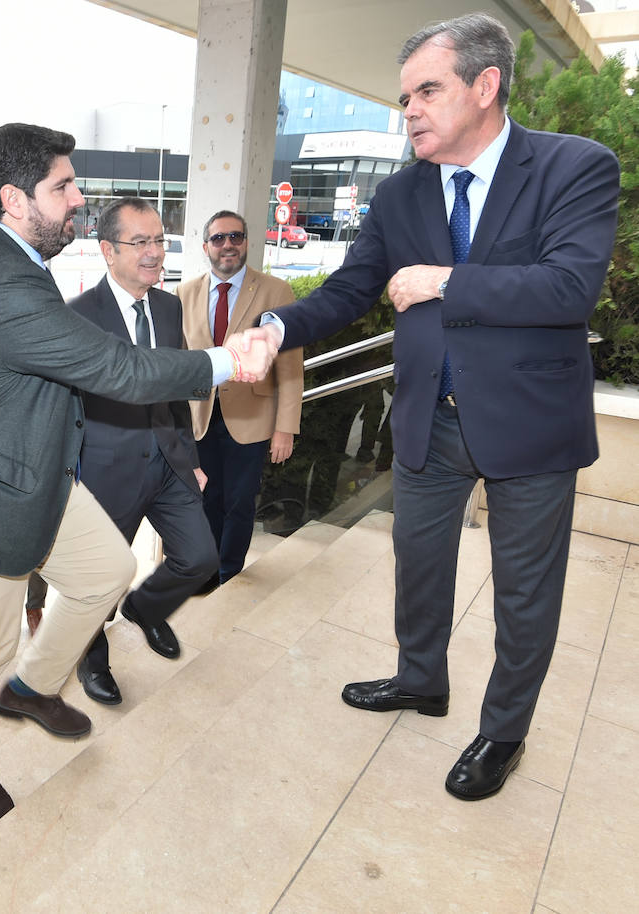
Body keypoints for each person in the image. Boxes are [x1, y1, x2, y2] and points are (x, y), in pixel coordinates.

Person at [238, 13, 620, 801]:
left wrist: (446, 281)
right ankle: (421, 679)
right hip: (427, 420)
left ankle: (503, 732)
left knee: (524, 594)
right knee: (417, 568)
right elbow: (349, 288)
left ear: (486, 86)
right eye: (404, 94)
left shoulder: (575, 167)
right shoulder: (403, 191)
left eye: (427, 91)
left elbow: (570, 286)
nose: (408, 109)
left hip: (531, 428)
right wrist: (274, 326)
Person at [0, 122, 275, 824]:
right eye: (62, 186)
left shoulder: (13, 258)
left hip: (28, 473)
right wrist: (227, 358)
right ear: (12, 198)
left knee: (104, 572)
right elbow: (117, 368)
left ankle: (31, 689)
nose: (78, 198)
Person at [70, 196, 219, 705]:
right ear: (108, 250)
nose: (155, 252)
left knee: (200, 558)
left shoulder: (168, 305)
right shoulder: (77, 316)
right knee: (98, 582)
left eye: (159, 240)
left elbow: (174, 387)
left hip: (170, 459)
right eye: (141, 243)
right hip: (105, 472)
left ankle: (147, 609)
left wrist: (192, 461)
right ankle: (92, 659)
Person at [180, 210, 303, 584]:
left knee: (238, 502)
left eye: (235, 237)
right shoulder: (184, 293)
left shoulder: (275, 291)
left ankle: (228, 572)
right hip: (200, 417)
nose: (228, 245)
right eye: (219, 239)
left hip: (251, 418)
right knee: (205, 499)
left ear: (247, 242)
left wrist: (285, 429)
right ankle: (205, 570)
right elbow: (180, 363)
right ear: (206, 247)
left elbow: (291, 367)